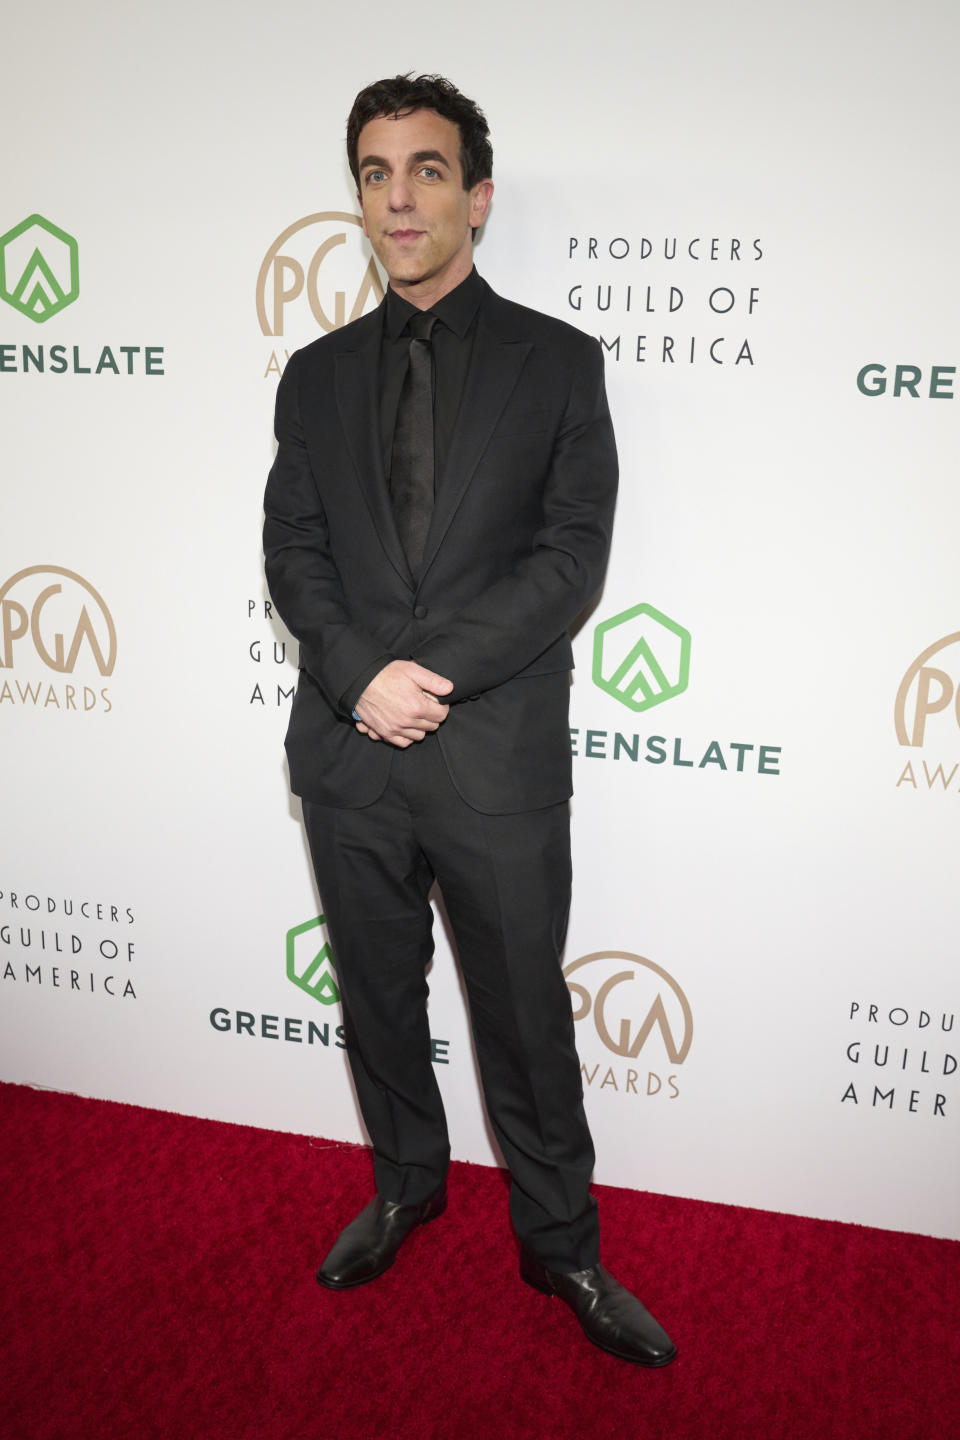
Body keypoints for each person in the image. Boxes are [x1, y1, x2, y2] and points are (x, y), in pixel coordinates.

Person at [263, 73, 676, 1367]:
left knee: (521, 1014)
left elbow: (570, 563)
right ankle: (405, 1185)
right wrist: (352, 676)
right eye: (377, 172)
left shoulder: (560, 362)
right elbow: (295, 549)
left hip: (491, 755)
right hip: (347, 756)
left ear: (476, 196)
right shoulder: (314, 374)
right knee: (378, 997)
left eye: (428, 170)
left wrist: (412, 675)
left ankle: (561, 1245)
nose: (401, 196)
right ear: (361, 197)